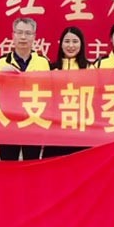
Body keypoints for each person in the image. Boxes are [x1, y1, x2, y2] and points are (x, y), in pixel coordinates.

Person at [0, 17, 50, 161]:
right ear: (13, 35)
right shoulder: (2, 62)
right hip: (8, 122)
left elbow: (50, 91)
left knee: (32, 164)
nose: (23, 37)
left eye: (28, 33)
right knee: (8, 165)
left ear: (34, 37)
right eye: (19, 32)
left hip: (34, 121)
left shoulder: (44, 62)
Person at [43, 26, 89, 158]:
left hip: (81, 130)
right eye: (67, 41)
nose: (71, 46)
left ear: (81, 44)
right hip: (55, 129)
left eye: (75, 41)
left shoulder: (90, 68)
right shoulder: (51, 68)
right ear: (61, 44)